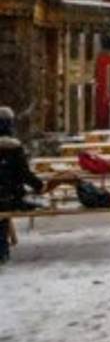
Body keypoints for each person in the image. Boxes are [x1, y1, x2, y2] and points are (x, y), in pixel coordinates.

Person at [0, 107, 44, 265]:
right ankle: (2, 252)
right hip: (10, 197)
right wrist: (39, 186)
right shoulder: (14, 147)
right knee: (3, 212)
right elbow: (24, 174)